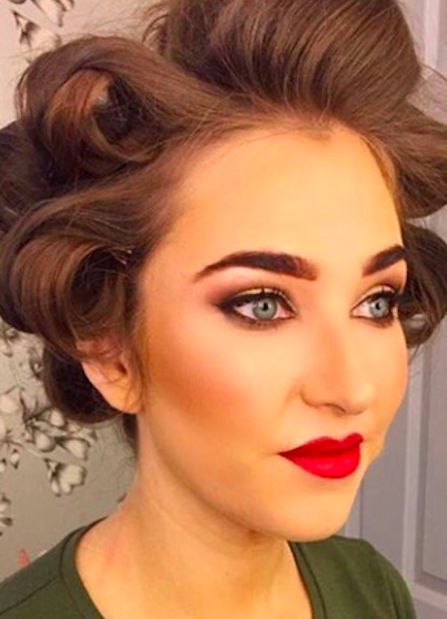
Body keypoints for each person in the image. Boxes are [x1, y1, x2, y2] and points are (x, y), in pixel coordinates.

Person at [1, 0, 447, 617]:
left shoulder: (371, 586)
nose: (352, 389)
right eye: (262, 304)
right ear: (110, 346)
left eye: (377, 302)